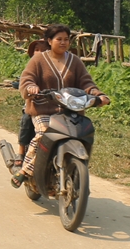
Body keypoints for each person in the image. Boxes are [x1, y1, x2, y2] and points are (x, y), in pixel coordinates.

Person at [17, 24, 110, 163]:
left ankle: (76, 168)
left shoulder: (75, 61)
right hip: (43, 110)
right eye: (59, 39)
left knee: (84, 132)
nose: (63, 42)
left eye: (66, 39)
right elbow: (27, 79)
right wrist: (31, 87)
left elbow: (86, 83)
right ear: (49, 41)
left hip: (70, 112)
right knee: (44, 134)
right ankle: (26, 171)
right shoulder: (38, 60)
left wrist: (98, 95)